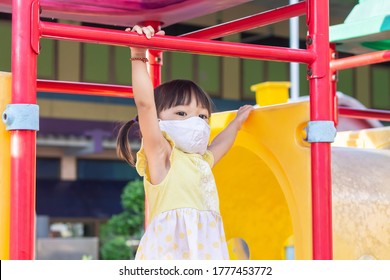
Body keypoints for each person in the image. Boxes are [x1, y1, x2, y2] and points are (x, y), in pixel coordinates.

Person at [116, 25, 253, 260]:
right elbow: (146, 105)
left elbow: (220, 144)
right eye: (181, 113)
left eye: (202, 116)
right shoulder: (163, 156)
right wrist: (138, 55)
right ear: (158, 121)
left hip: (205, 252)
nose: (196, 122)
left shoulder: (199, 162)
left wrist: (236, 123)